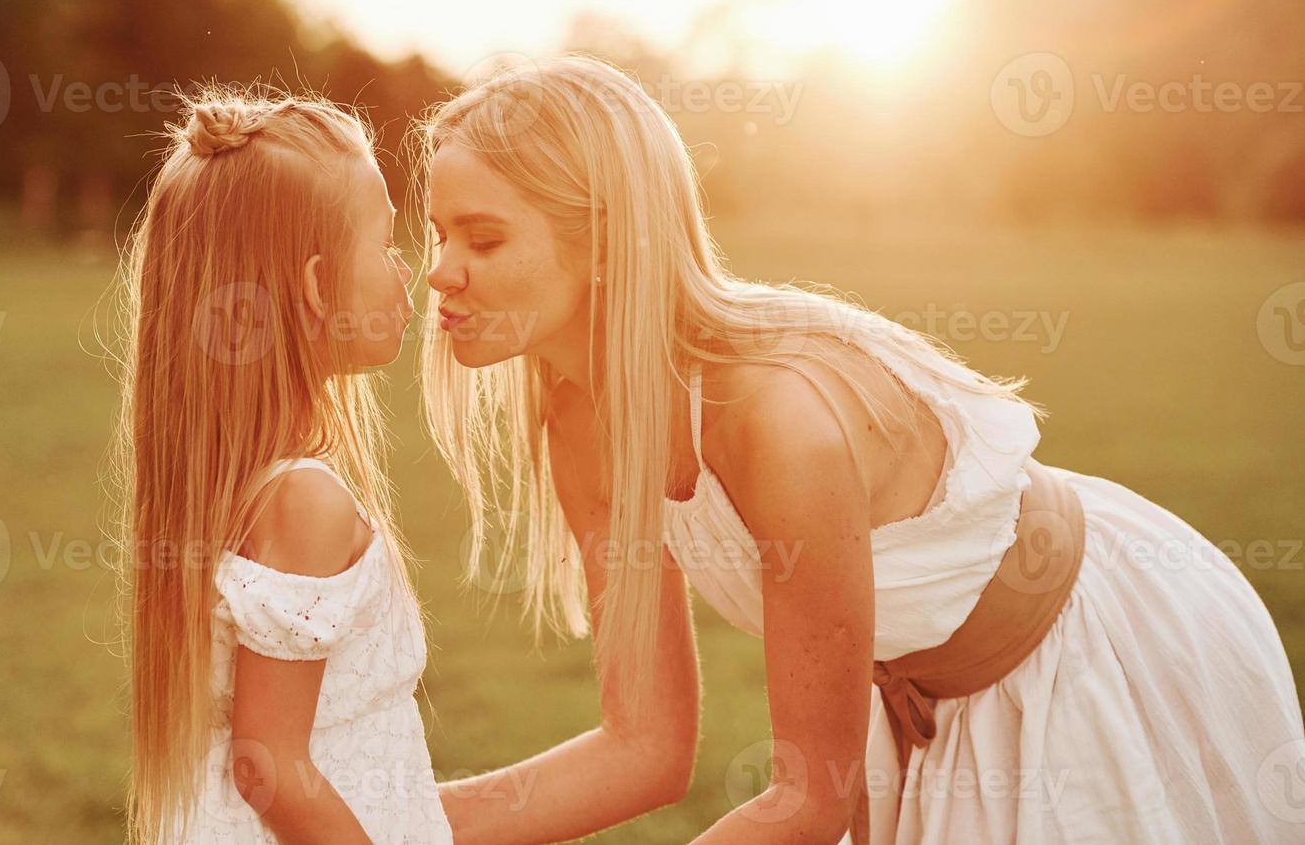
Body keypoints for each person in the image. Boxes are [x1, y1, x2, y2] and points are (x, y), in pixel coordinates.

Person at [416, 55, 1305, 843]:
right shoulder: (579, 427)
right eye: (437, 234)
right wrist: (382, 824)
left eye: (483, 238)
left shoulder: (776, 420)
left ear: (606, 243)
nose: (439, 271)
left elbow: (808, 803)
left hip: (1083, 657)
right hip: (912, 702)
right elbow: (644, 747)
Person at [113, 89, 452, 843]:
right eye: (386, 244)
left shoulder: (231, 482)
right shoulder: (304, 500)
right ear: (311, 286)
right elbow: (269, 768)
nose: (410, 274)